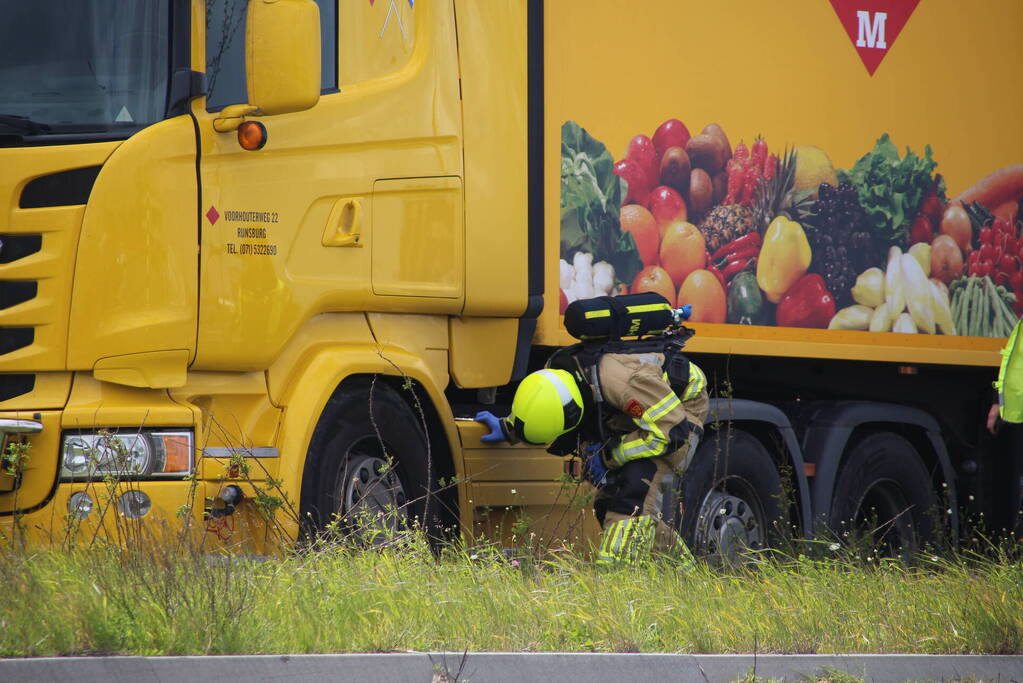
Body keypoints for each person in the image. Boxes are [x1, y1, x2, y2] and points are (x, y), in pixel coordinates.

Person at [475, 342, 709, 565]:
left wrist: (611, 455)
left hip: (679, 409)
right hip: (639, 408)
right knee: (606, 501)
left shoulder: (624, 382)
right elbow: (541, 407)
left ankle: (616, 579)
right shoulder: (555, 373)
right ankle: (681, 569)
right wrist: (511, 428)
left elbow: (670, 433)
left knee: (632, 495)